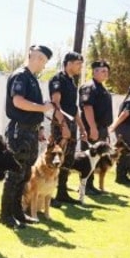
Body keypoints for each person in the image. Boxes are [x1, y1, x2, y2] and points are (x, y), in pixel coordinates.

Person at [0, 45, 54, 229]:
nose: (44, 65)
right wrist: (43, 108)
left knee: (25, 174)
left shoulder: (32, 79)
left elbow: (32, 107)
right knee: (15, 173)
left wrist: (39, 128)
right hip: (19, 131)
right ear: (36, 58)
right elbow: (18, 102)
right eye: (44, 61)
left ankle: (17, 212)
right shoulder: (21, 76)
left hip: (30, 132)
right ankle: (5, 215)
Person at [48, 51, 86, 206]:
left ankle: (61, 192)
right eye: (78, 64)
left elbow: (73, 108)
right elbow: (56, 104)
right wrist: (63, 126)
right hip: (61, 124)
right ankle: (48, 195)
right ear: (68, 63)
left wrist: (82, 127)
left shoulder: (71, 82)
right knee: (56, 159)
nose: (80, 67)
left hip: (71, 125)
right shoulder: (58, 79)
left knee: (68, 160)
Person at [78, 60, 114, 195]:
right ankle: (85, 187)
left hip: (101, 128)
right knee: (88, 158)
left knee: (95, 159)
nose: (106, 74)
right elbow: (87, 107)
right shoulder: (89, 87)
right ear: (95, 71)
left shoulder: (101, 88)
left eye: (107, 71)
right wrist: (93, 128)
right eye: (103, 71)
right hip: (93, 128)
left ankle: (90, 185)